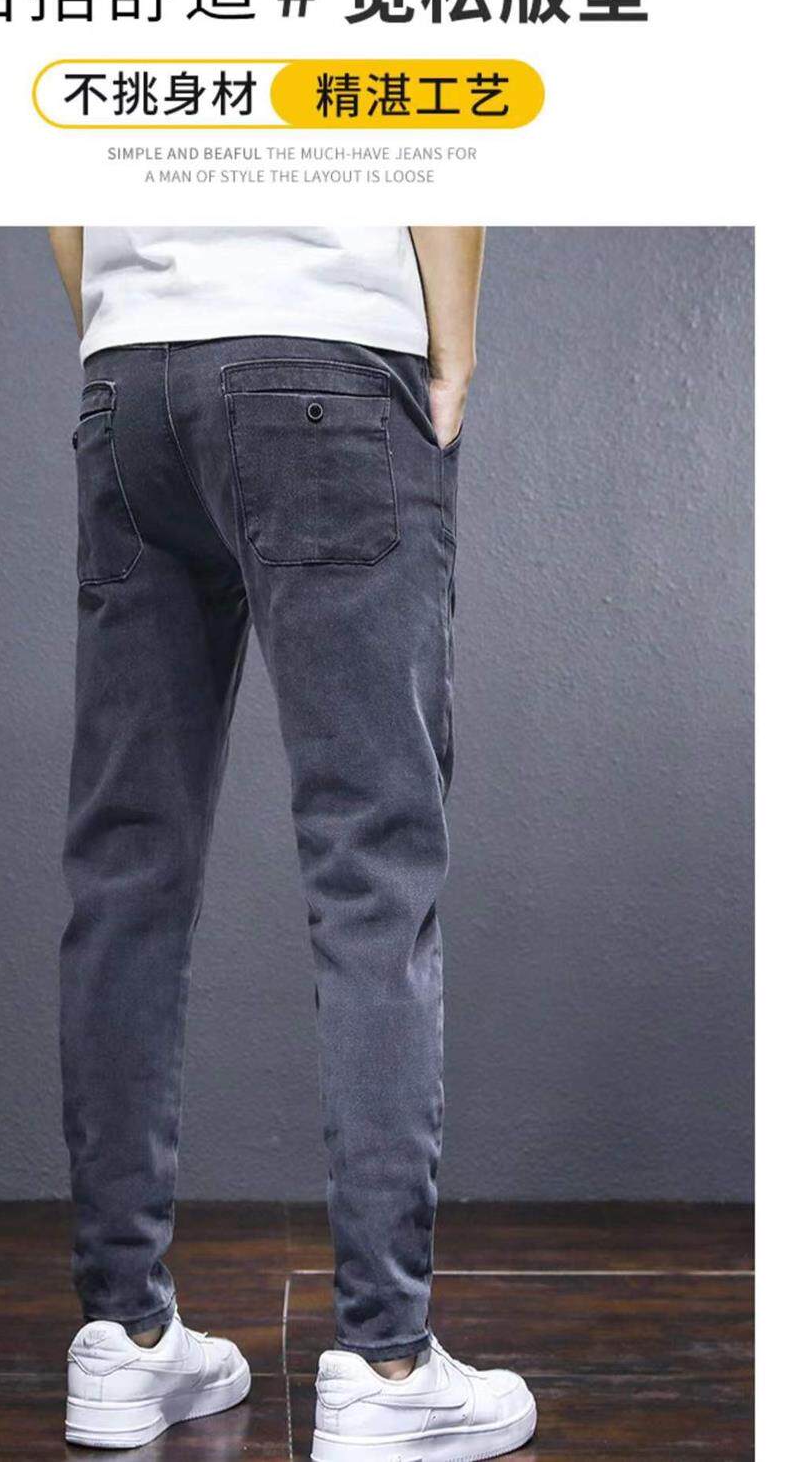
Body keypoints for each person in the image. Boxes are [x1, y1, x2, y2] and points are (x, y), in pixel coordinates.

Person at [49, 226, 537, 1458]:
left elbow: (61, 195)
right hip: (328, 355)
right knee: (372, 867)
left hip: (132, 376)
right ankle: (385, 1360)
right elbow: (428, 161)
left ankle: (123, 1334)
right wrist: (453, 352)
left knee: (125, 864)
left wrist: (132, 336)